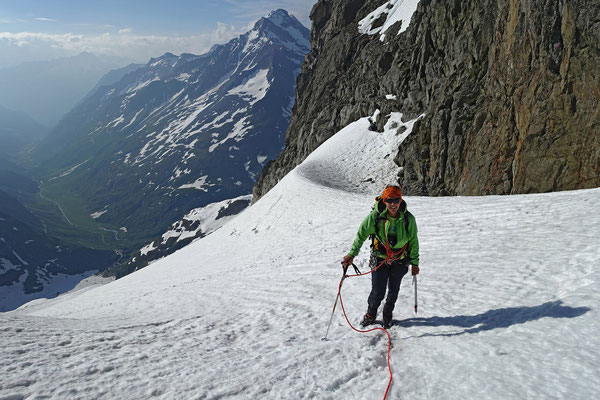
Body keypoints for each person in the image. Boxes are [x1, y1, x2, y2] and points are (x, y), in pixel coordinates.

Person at [341, 185, 419, 329]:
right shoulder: (376, 216)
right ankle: (371, 314)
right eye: (390, 201)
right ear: (385, 200)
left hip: (400, 260)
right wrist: (352, 254)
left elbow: (413, 241)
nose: (393, 204)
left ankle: (387, 315)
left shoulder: (409, 219)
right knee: (378, 291)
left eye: (396, 200)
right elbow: (361, 235)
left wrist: (415, 263)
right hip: (380, 259)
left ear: (401, 200)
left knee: (394, 290)